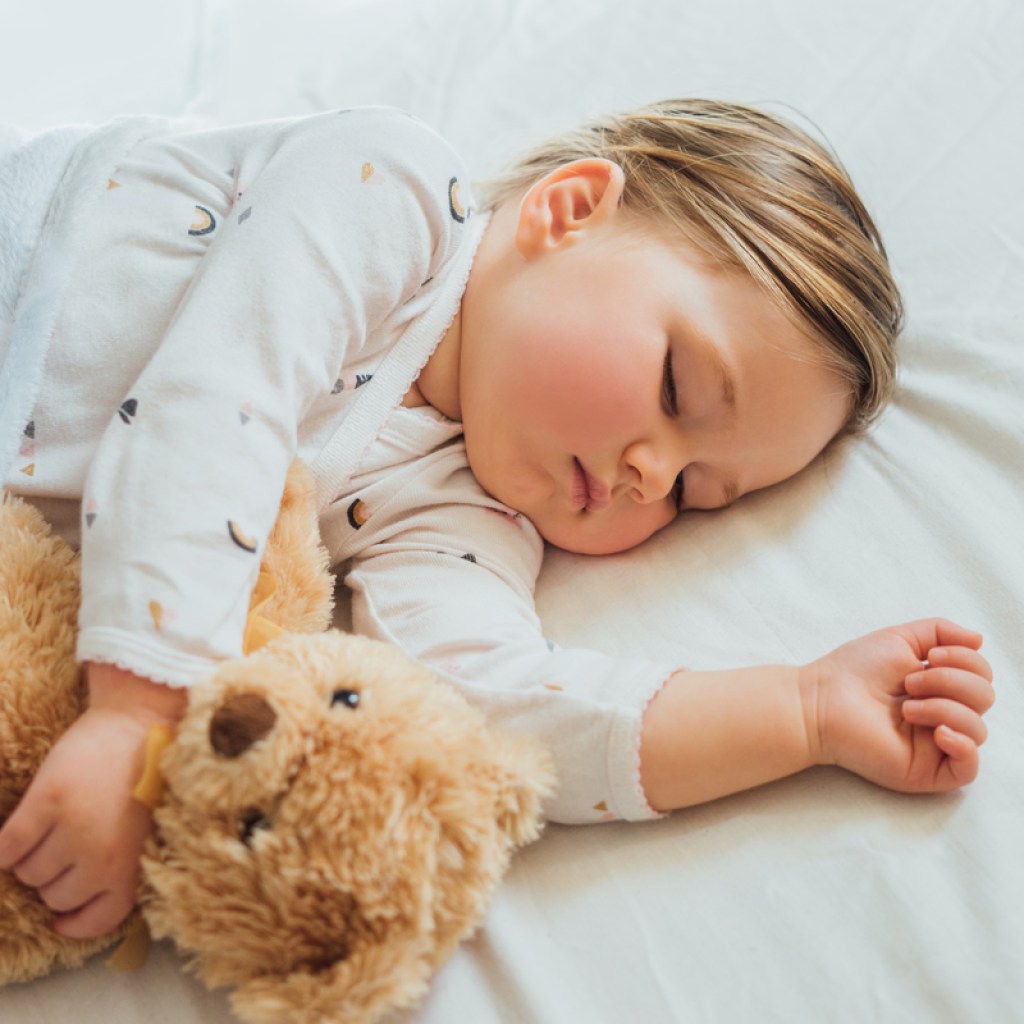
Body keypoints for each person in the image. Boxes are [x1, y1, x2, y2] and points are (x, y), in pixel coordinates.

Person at [0, 100, 994, 941]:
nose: (653, 474)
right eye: (675, 386)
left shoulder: (460, 512)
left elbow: (502, 702)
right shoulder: (389, 195)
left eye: (697, 492)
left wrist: (803, 712)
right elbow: (219, 396)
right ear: (566, 213)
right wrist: (137, 710)